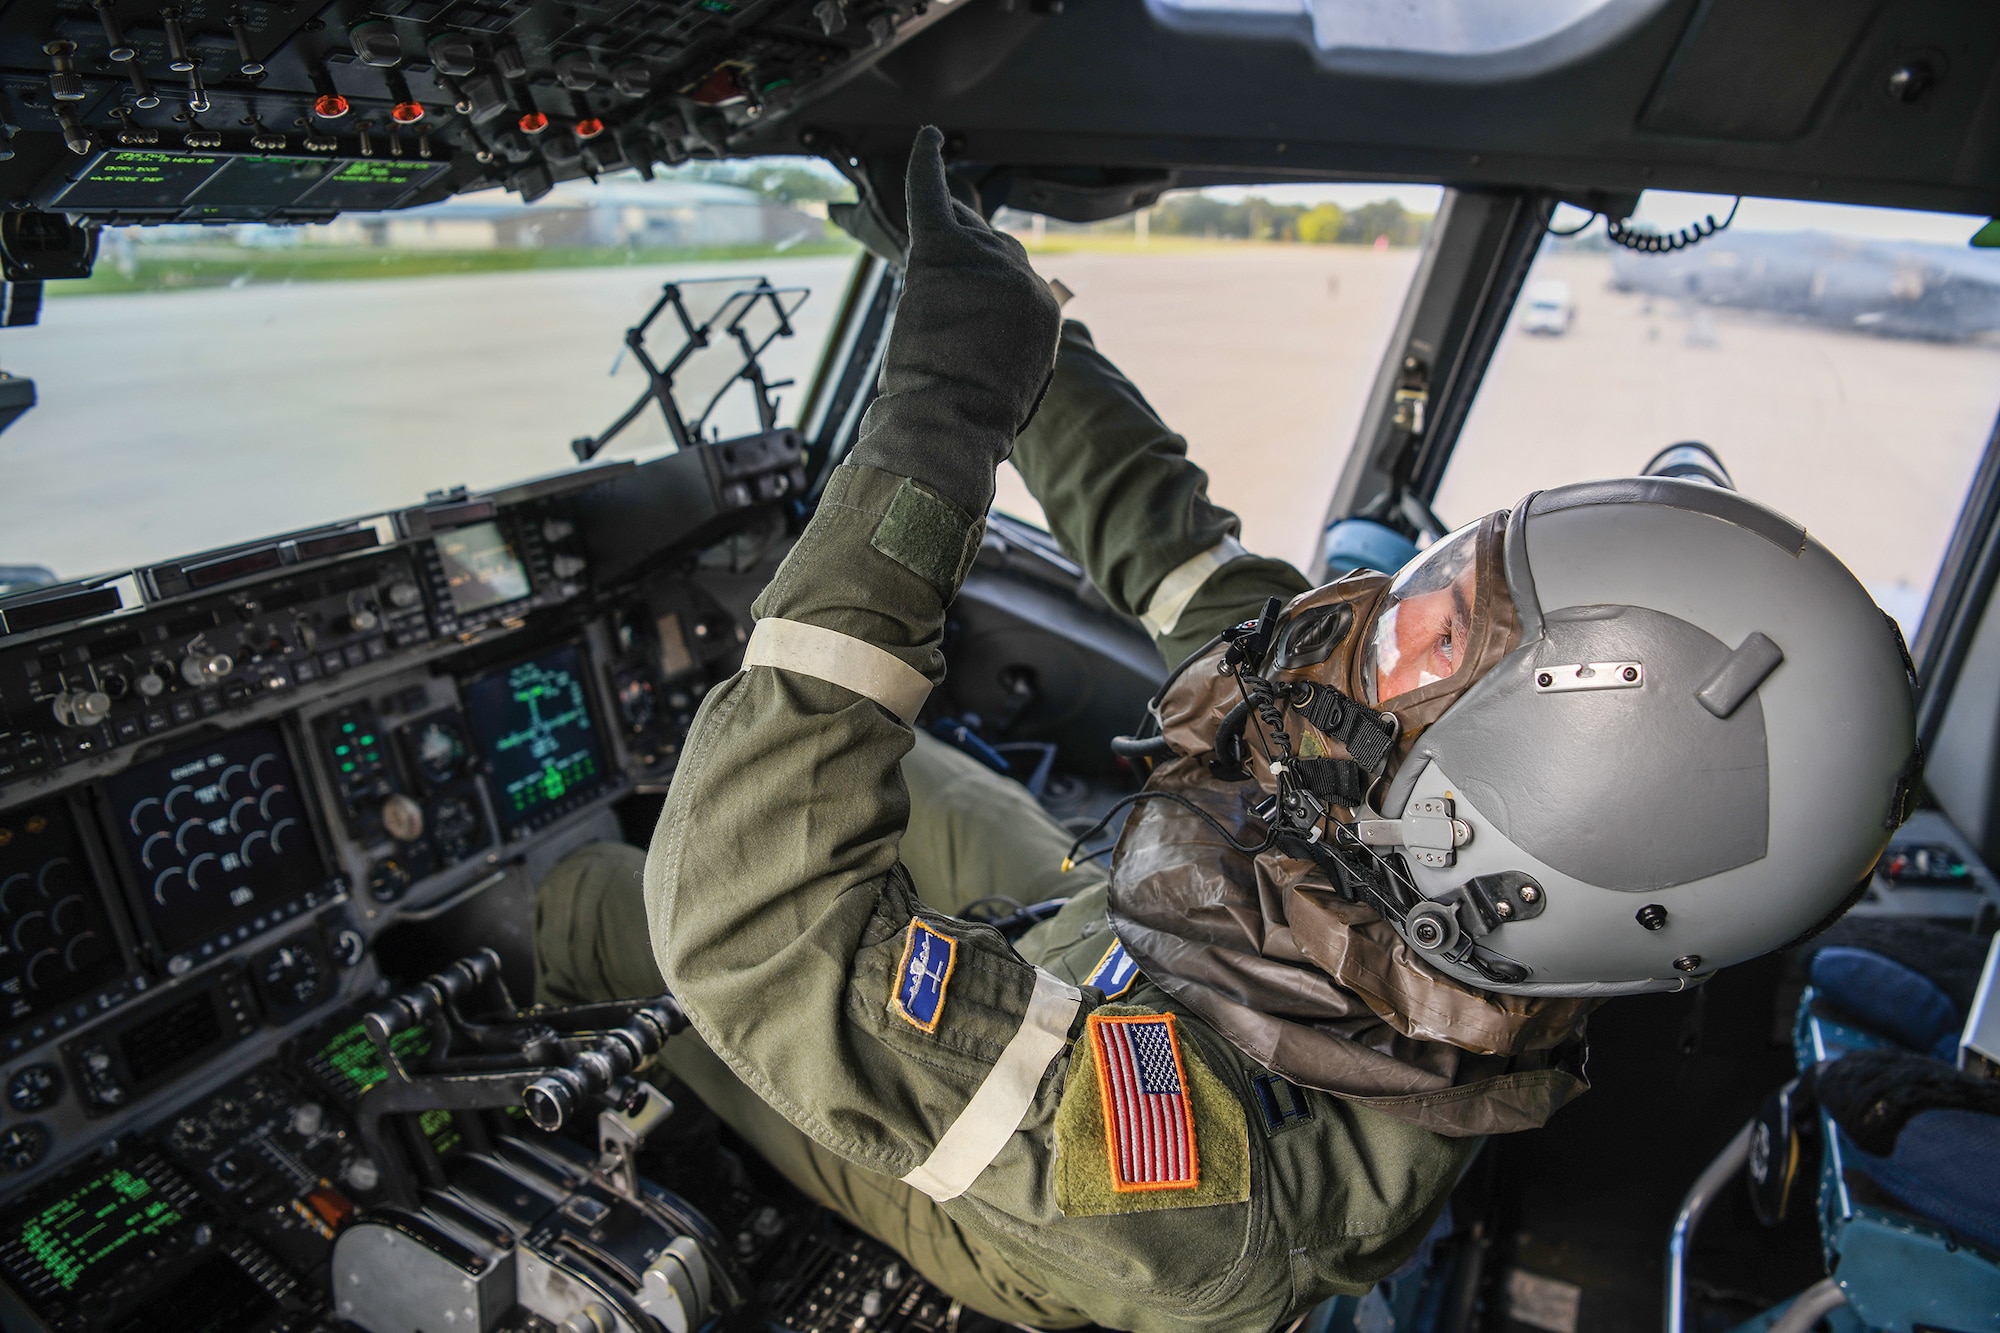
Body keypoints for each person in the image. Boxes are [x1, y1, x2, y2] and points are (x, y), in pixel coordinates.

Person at [535, 128, 1919, 1332]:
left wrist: (936, 417)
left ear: (1521, 820)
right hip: (1127, 935)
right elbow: (1177, 549)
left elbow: (752, 923)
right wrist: (998, 312)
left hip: (1021, 1180)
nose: (1382, 622)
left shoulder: (1212, 1187)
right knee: (899, 776)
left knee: (592, 908)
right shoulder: (1409, 807)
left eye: (1442, 637)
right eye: (1453, 578)